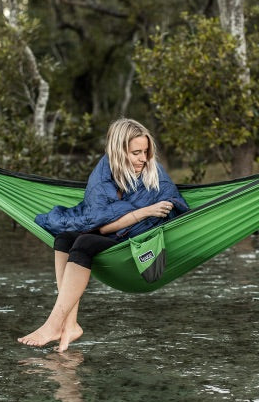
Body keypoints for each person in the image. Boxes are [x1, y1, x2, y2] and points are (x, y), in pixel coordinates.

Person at [19, 118, 189, 352]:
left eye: (146, 152)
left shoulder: (154, 174)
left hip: (136, 237)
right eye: (136, 152)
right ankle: (70, 324)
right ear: (119, 152)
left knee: (84, 242)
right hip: (111, 232)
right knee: (64, 238)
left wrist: (142, 214)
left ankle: (54, 324)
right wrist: (143, 211)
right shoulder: (103, 171)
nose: (143, 158)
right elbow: (100, 221)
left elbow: (168, 207)